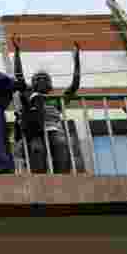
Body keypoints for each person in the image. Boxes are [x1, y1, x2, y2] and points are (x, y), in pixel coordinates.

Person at [13, 40, 80, 174]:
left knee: (61, 145)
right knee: (37, 149)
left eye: (44, 78)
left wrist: (77, 60)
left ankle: (62, 178)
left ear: (49, 84)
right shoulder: (29, 95)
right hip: (35, 131)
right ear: (33, 84)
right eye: (37, 79)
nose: (41, 81)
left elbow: (74, 86)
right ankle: (40, 179)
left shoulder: (56, 100)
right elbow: (19, 77)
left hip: (53, 130)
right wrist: (17, 53)